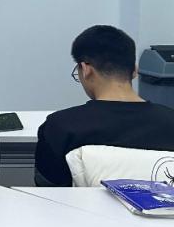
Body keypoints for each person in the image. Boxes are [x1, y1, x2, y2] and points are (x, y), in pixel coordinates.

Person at [35, 24, 174, 186]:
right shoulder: (170, 121)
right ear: (135, 71)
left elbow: (47, 194)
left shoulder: (59, 127)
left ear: (85, 69)